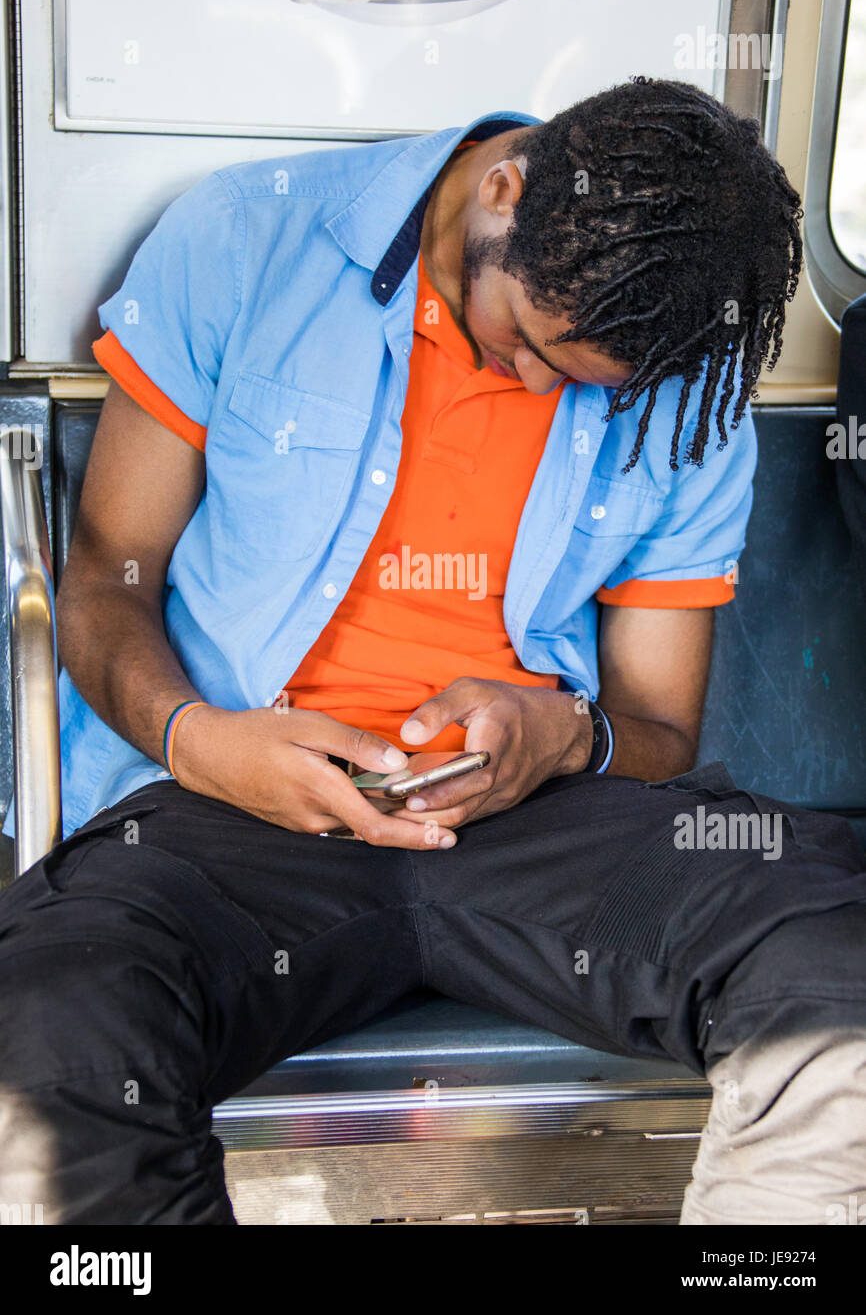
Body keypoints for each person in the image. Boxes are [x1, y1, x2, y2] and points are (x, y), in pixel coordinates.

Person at [1, 78, 864, 1226]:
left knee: (838, 980)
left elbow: (654, 730)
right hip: (229, 806)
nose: (534, 388)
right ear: (501, 190)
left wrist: (565, 737)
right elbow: (108, 575)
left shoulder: (681, 382)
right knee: (48, 1046)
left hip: (538, 825)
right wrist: (201, 743)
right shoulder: (246, 237)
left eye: (581, 383)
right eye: (527, 342)